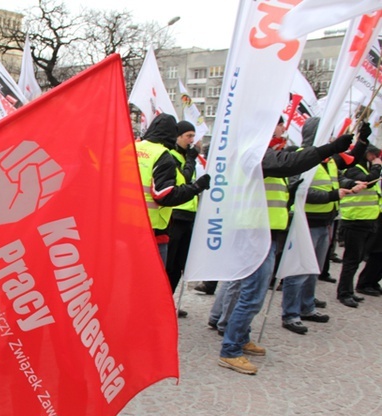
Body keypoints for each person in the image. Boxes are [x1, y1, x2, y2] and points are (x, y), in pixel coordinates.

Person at [218, 129, 354, 375]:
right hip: (254, 232)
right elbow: (290, 164)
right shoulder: (254, 153)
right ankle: (230, 350)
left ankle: (240, 338)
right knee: (252, 295)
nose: (282, 130)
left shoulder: (262, 153)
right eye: (278, 125)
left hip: (264, 231)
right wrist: (330, 148)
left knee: (251, 292)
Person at [280, 118, 364, 334]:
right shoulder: (300, 157)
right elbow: (298, 190)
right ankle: (290, 313)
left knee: (313, 269)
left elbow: (336, 179)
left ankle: (307, 307)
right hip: (304, 221)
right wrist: (332, 195)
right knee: (297, 270)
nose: (331, 138)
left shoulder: (328, 160)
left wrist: (350, 185)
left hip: (325, 222)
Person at [136, 113, 211, 266]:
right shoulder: (162, 155)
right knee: (154, 284)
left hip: (124, 225)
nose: (191, 140)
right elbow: (164, 195)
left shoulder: (132, 147)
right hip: (153, 229)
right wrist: (196, 188)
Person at [336, 139, 381, 307]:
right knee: (351, 260)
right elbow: (369, 183)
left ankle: (348, 291)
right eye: (372, 155)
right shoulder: (354, 169)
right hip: (354, 221)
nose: (374, 158)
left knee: (357, 258)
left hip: (365, 221)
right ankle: (344, 293)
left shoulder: (363, 168)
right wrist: (377, 166)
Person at [165, 120, 201, 317]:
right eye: (188, 136)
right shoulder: (171, 156)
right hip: (175, 215)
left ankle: (168, 301)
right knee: (169, 264)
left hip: (188, 215)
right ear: (178, 136)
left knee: (179, 265)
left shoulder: (185, 156)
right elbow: (183, 180)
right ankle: (161, 302)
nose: (192, 140)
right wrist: (191, 160)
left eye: (193, 136)